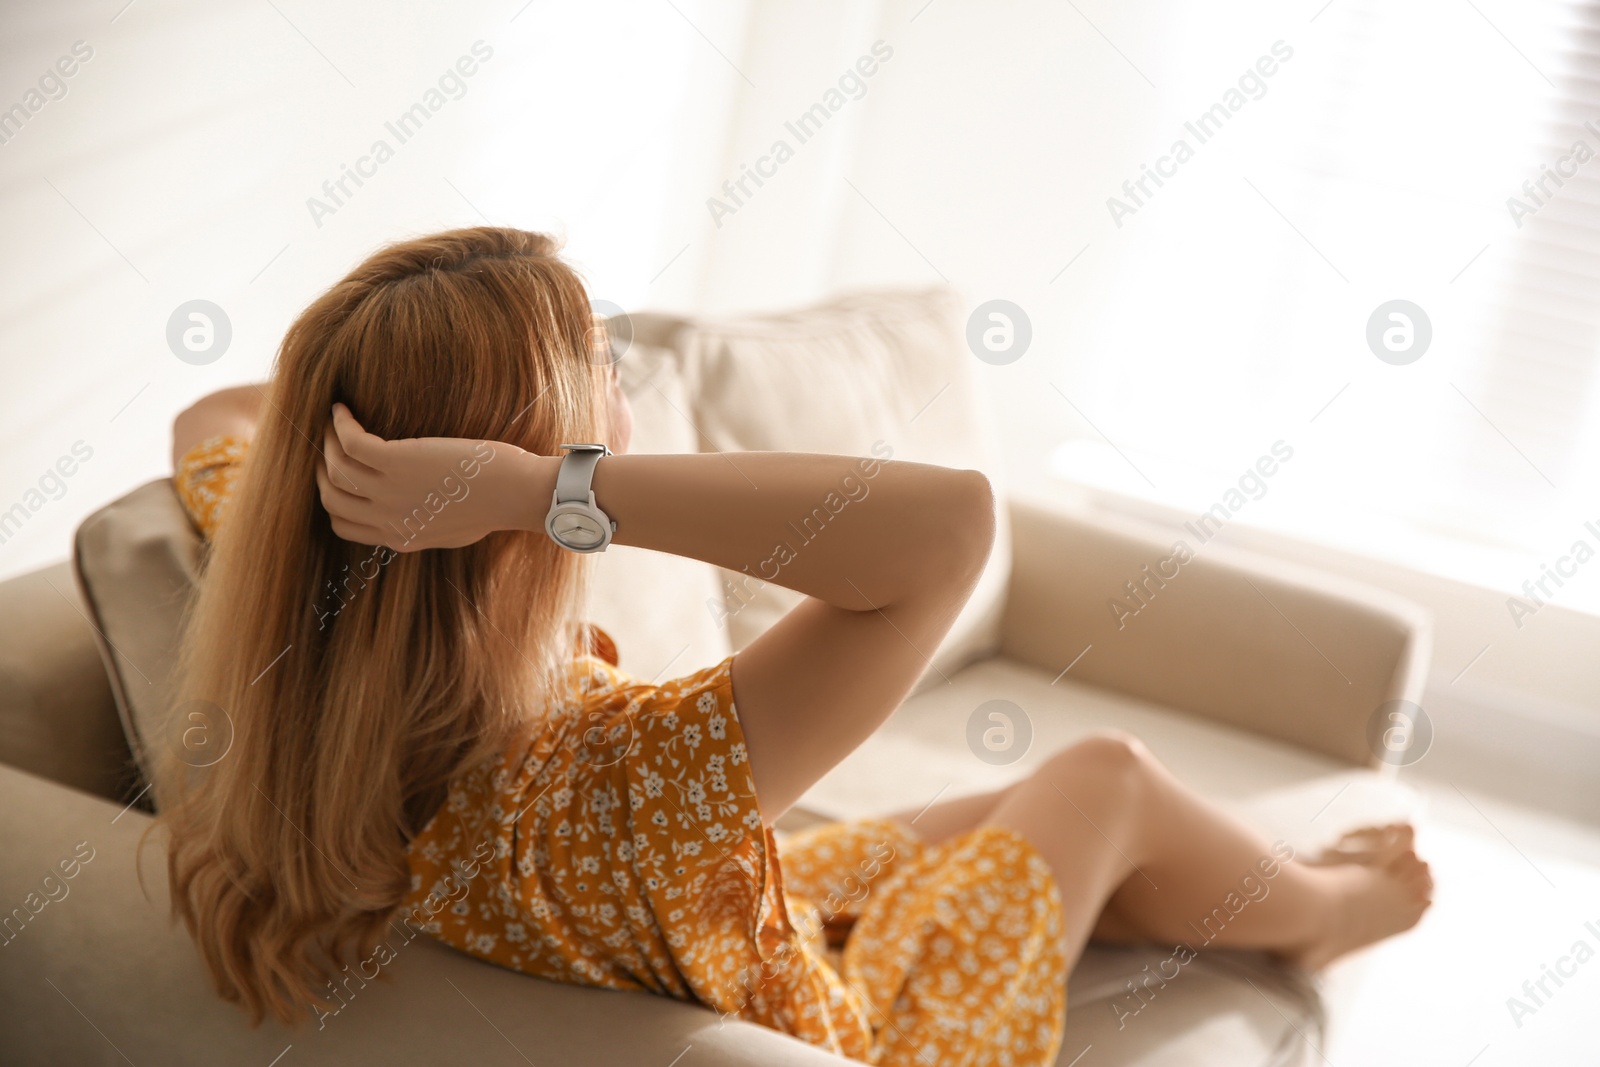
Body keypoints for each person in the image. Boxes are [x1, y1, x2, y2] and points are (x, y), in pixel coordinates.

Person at [159, 227, 1431, 1066]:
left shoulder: (298, 647)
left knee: (995, 804)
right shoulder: (617, 770)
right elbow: (947, 529)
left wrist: (380, 438)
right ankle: (1331, 912)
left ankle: (1280, 889)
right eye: (598, 371)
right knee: (1104, 773)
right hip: (842, 1029)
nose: (624, 389)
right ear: (522, 463)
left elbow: (213, 415)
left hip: (708, 904)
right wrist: (539, 487)